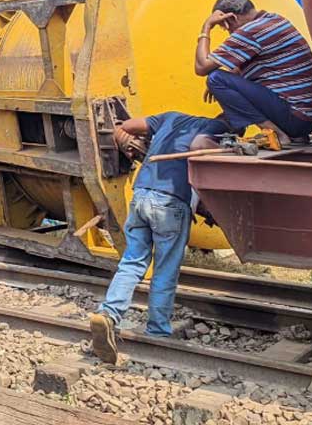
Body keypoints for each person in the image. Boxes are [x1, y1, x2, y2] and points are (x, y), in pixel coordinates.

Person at [88, 111, 232, 364]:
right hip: (171, 202)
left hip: (141, 194)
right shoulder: (218, 129)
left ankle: (108, 314)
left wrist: (136, 147)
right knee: (165, 269)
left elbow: (125, 126)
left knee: (132, 262)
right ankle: (158, 329)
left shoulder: (170, 118)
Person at [194, 0, 312, 144]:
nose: (230, 33)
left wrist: (206, 27)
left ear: (232, 18)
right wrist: (228, 85)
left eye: (226, 27)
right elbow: (250, 69)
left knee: (215, 78)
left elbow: (202, 67)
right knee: (221, 79)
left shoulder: (250, 32)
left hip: (296, 117)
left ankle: (275, 134)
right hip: (310, 116)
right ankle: (293, 135)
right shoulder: (274, 20)